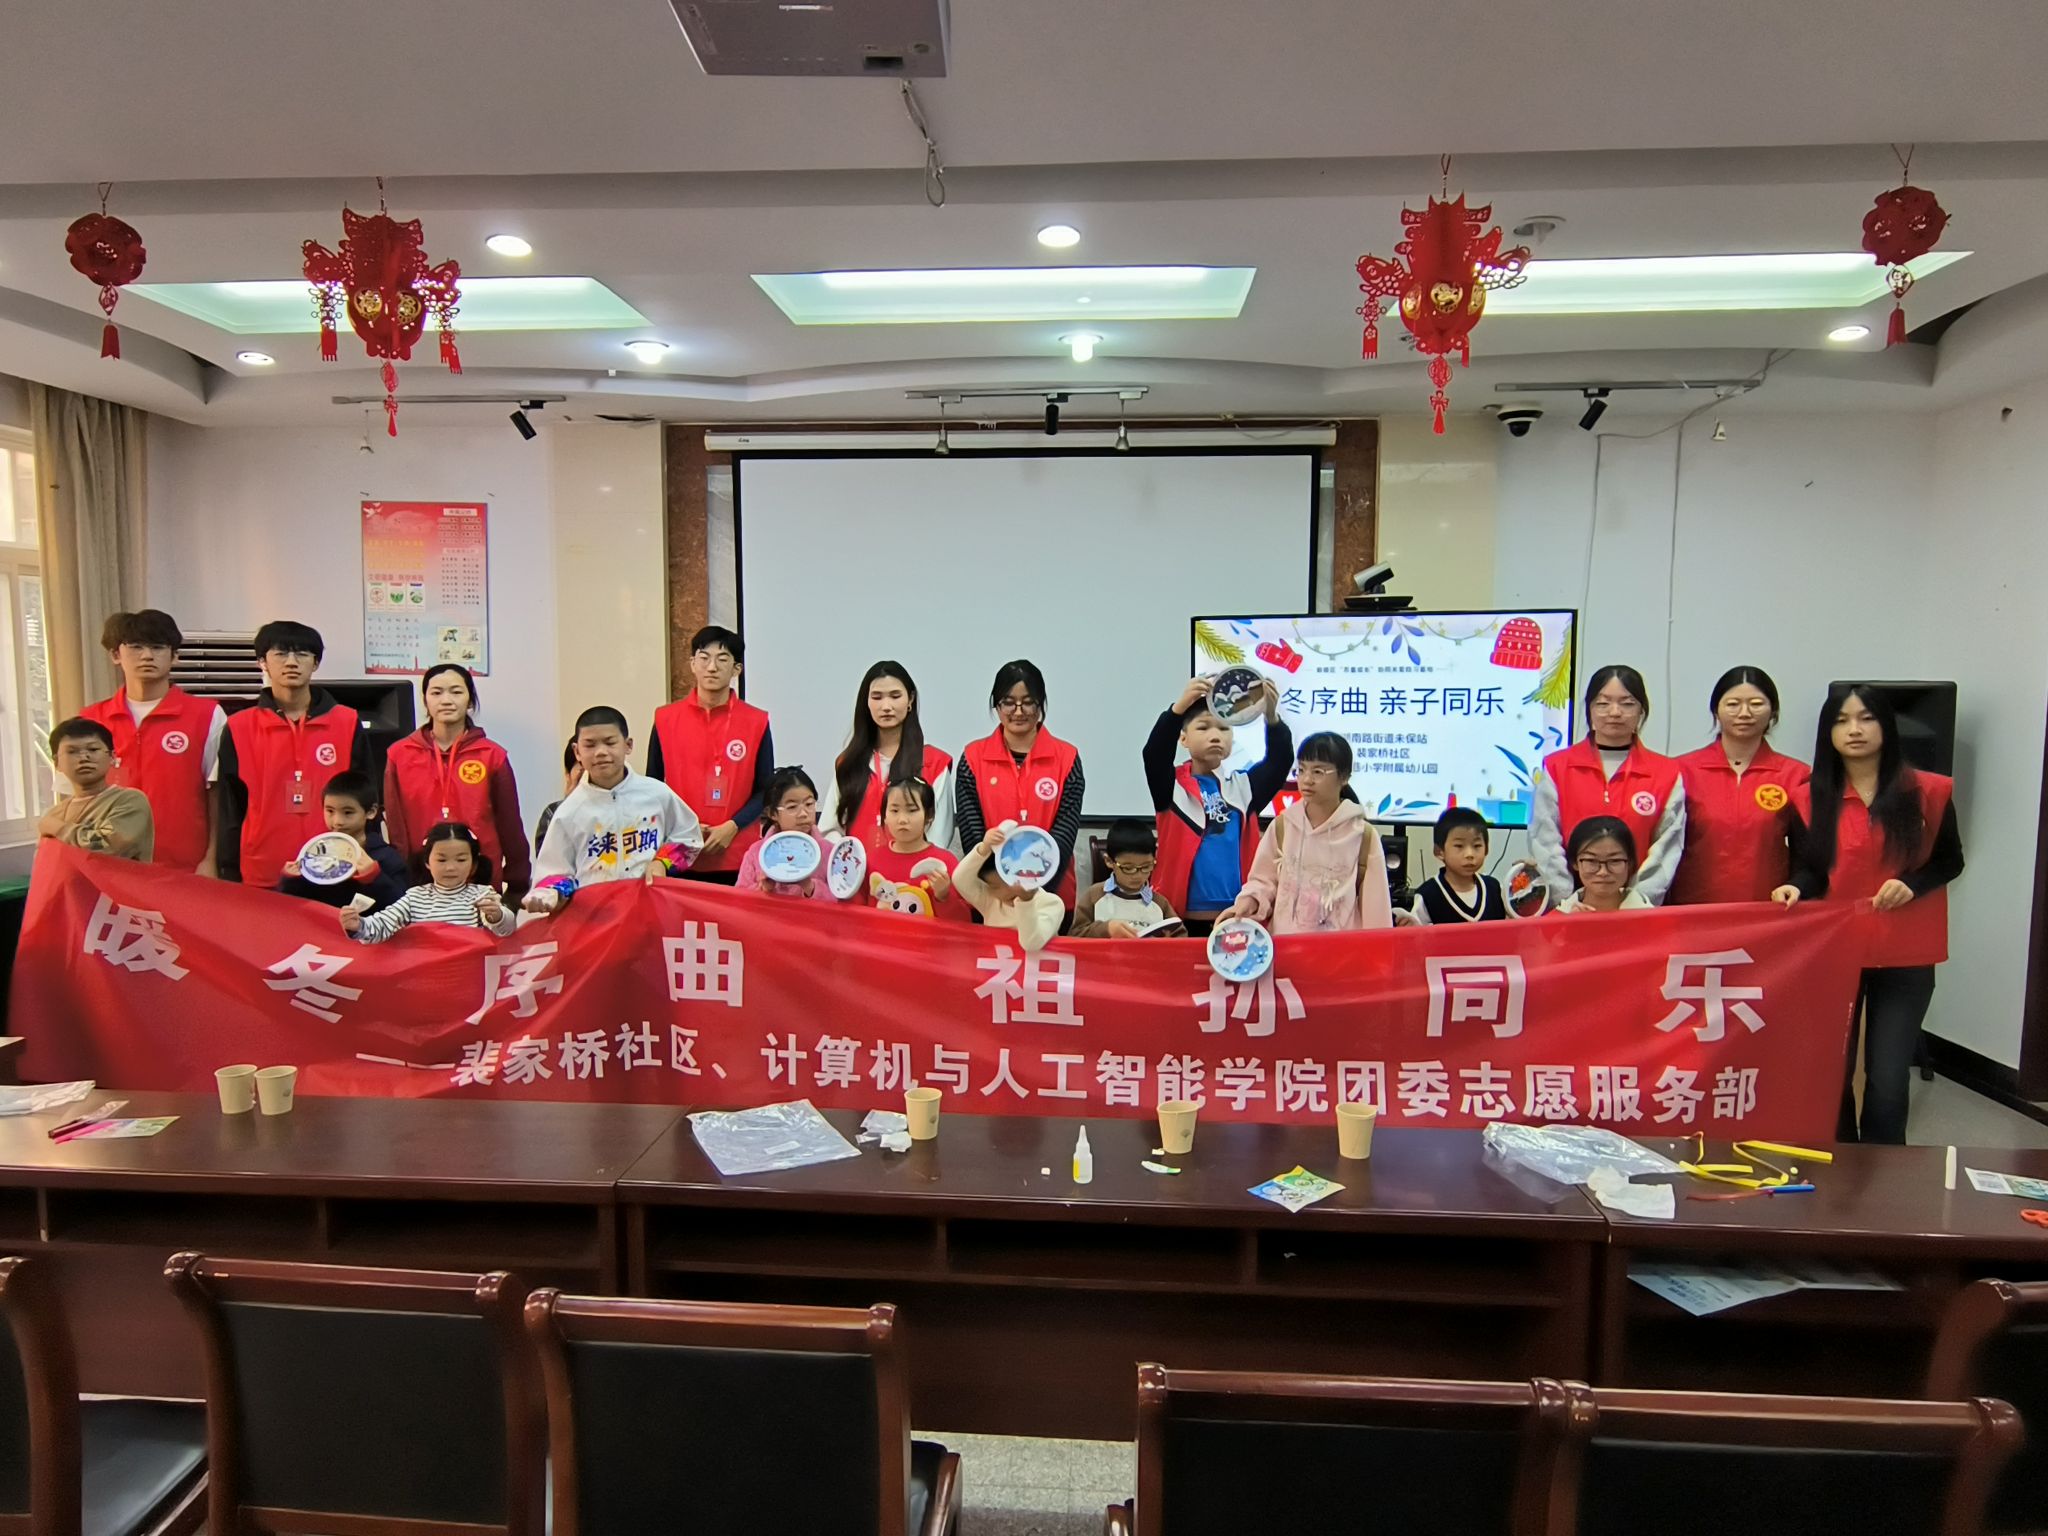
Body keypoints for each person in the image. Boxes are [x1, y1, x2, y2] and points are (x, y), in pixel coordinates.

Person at [1773, 684, 1963, 1145]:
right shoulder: (1808, 798)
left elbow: (1950, 860)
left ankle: (1884, 1171)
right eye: (1841, 721)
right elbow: (1811, 869)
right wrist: (1795, 887)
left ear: (1887, 726)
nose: (1854, 730)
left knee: (1888, 1076)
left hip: (1906, 951)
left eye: (1866, 718)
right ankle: (1840, 1162)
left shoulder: (1929, 791)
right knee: (1831, 1070)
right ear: (1827, 733)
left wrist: (1912, 884)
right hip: (1835, 950)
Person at [216, 621, 366, 885]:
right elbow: (230, 808)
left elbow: (365, 797)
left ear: (315, 663)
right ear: (262, 662)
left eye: (302, 654)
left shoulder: (346, 721)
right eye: (281, 653)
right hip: (263, 870)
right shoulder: (239, 727)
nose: (292, 662)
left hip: (334, 866)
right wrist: (228, 870)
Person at [81, 609, 225, 875]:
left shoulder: (207, 715)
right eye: (136, 647)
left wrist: (211, 859)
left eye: (158, 647)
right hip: (109, 865)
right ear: (115, 655)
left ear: (174, 656)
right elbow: (74, 796)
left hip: (184, 866)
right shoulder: (90, 720)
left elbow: (217, 793)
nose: (147, 656)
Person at [1144, 675, 1293, 932]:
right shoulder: (1171, 787)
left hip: (1237, 916)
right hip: (1179, 919)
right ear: (1183, 739)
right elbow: (1154, 753)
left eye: (1224, 729)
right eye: (1203, 728)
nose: (1215, 736)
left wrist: (1271, 717)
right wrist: (1178, 708)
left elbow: (1280, 761)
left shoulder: (1243, 788)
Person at [1529, 664, 1685, 905]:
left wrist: (1636, 904)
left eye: (1627, 703)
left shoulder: (1666, 773)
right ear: (1589, 709)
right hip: (1572, 908)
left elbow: (1667, 848)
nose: (1615, 712)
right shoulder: (1557, 767)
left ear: (1641, 711)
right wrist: (1568, 902)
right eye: (1603, 703)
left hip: (1638, 910)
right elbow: (1545, 840)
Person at [525, 706, 702, 911]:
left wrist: (662, 863)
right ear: (577, 751)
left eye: (610, 743)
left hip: (651, 911)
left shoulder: (657, 794)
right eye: (590, 745)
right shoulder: (568, 812)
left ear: (628, 745)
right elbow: (555, 871)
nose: (601, 752)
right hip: (595, 917)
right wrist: (552, 892)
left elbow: (689, 837)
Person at [381, 664, 532, 903]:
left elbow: (510, 823)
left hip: (480, 881)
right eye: (436, 692)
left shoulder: (492, 755)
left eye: (456, 692)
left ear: (470, 700)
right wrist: (400, 879)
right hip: (421, 883)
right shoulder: (399, 755)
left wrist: (517, 882)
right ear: (425, 700)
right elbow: (396, 827)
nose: (446, 700)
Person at [1669, 666, 1811, 904]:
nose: (1744, 713)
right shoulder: (1680, 771)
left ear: (1773, 711)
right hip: (1691, 909)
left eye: (1756, 704)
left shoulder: (1796, 775)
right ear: (1716, 710)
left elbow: (1806, 856)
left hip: (1768, 908)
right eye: (1733, 704)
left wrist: (1795, 886)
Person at [1226, 732, 1393, 934]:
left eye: (1318, 772)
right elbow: (1262, 880)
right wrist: (1249, 901)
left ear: (1344, 777)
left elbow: (1377, 909)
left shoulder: (1362, 834)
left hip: (1340, 949)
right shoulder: (1283, 825)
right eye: (1301, 770)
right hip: (1285, 945)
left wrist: (1379, 949)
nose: (1307, 779)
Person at [953, 660, 1085, 909]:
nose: (1018, 711)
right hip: (990, 898)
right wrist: (1001, 887)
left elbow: (1065, 835)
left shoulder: (1067, 758)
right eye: (1008, 702)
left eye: (1028, 702)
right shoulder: (972, 758)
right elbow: (972, 834)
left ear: (1041, 703)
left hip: (1050, 899)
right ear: (996, 705)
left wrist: (1032, 891)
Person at [647, 626, 773, 885]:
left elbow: (765, 790)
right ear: (693, 664)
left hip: (736, 854)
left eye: (722, 659)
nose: (712, 667)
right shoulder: (665, 719)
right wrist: (684, 826)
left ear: (737, 669)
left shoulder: (756, 721)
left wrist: (733, 826)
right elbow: (652, 785)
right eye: (704, 658)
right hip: (678, 851)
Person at [821, 661, 955, 852]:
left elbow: (939, 837)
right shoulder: (848, 762)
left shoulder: (934, 763)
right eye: (876, 697)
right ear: (866, 703)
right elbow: (830, 829)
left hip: (914, 870)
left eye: (895, 696)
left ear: (910, 700)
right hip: (857, 869)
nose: (886, 706)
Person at [342, 822, 517, 942]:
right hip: (425, 979)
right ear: (427, 862)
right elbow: (383, 924)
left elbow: (507, 930)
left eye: (461, 860)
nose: (450, 867)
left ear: (473, 864)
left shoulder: (483, 895)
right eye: (441, 860)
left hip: (468, 976)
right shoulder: (414, 897)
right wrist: (358, 925)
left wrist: (497, 916)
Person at [277, 770, 408, 912]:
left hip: (367, 926)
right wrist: (290, 880)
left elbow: (403, 908)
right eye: (330, 811)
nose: (337, 821)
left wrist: (375, 877)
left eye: (348, 812)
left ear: (371, 812)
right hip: (322, 924)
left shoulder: (387, 857)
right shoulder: (316, 854)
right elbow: (298, 903)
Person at [37, 718, 153, 861]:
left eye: (93, 749)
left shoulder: (129, 801)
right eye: (72, 751)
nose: (84, 757)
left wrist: (59, 828)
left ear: (112, 757)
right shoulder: (55, 813)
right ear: (56, 762)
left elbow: (104, 845)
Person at [864, 777, 965, 921]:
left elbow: (964, 923)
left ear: (929, 815)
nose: (902, 819)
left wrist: (944, 897)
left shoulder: (946, 862)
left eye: (911, 810)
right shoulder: (871, 860)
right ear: (884, 815)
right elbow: (855, 915)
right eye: (894, 810)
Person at [953, 821, 1065, 951]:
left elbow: (1031, 944)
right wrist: (984, 849)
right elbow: (959, 879)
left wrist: (1026, 902)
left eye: (1008, 882)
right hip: (997, 962)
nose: (1001, 892)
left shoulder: (1051, 903)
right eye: (994, 887)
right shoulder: (991, 901)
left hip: (1034, 964)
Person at [734, 766, 837, 901]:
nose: (803, 813)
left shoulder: (830, 852)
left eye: (809, 804)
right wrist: (763, 889)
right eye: (792, 807)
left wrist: (810, 887)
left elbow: (842, 903)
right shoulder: (757, 853)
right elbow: (739, 901)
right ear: (772, 813)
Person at [1072, 818, 1182, 938]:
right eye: (1128, 868)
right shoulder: (1094, 896)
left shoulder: (1160, 903)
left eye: (1146, 867)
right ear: (1109, 861)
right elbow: (1075, 935)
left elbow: (1181, 937)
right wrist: (1106, 929)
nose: (1137, 875)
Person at [1408, 807, 1510, 924]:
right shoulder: (1428, 895)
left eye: (1477, 846)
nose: (1469, 854)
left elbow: (1517, 923)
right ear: (1439, 851)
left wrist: (1526, 877)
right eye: (1459, 846)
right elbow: (1415, 933)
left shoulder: (1494, 888)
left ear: (1486, 849)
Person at [1554, 815, 1651, 914]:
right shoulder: (1556, 918)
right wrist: (1570, 923)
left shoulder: (1651, 917)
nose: (1603, 872)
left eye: (1614, 861)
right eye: (1591, 861)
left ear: (1630, 863)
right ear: (1575, 863)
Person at [533, 738, 579, 851]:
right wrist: (569, 808)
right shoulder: (553, 813)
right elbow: (546, 858)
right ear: (567, 775)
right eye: (583, 776)